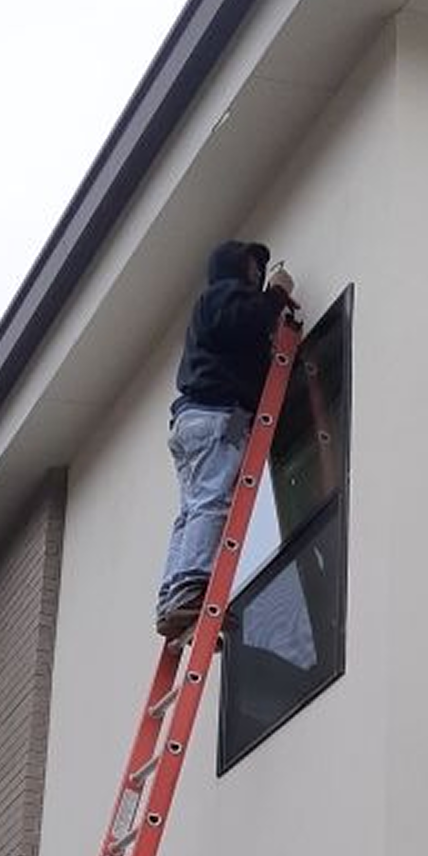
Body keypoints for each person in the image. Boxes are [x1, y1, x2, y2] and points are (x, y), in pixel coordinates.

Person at [155, 240, 297, 639]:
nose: (255, 273)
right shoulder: (222, 297)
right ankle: (189, 587)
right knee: (212, 500)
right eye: (251, 266)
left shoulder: (217, 308)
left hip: (204, 418)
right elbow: (244, 320)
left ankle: (173, 597)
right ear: (236, 267)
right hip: (215, 414)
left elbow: (243, 337)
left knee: (193, 509)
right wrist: (276, 296)